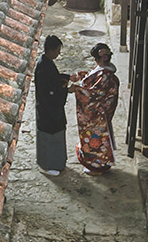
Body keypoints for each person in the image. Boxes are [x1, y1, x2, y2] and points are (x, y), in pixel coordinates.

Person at [70, 42, 119, 175]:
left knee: (96, 137)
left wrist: (77, 89)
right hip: (101, 109)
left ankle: (97, 165)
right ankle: (99, 162)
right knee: (100, 137)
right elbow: (93, 84)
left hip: (98, 112)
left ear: (98, 58)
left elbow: (93, 94)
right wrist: (84, 77)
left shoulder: (105, 74)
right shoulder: (105, 71)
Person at [34, 35, 70, 175]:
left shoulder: (46, 62)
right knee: (50, 138)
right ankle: (49, 166)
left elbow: (54, 80)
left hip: (49, 107)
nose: (58, 53)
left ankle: (55, 163)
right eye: (58, 50)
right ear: (51, 50)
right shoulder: (43, 67)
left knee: (55, 138)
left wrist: (67, 78)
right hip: (48, 108)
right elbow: (51, 91)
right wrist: (67, 90)